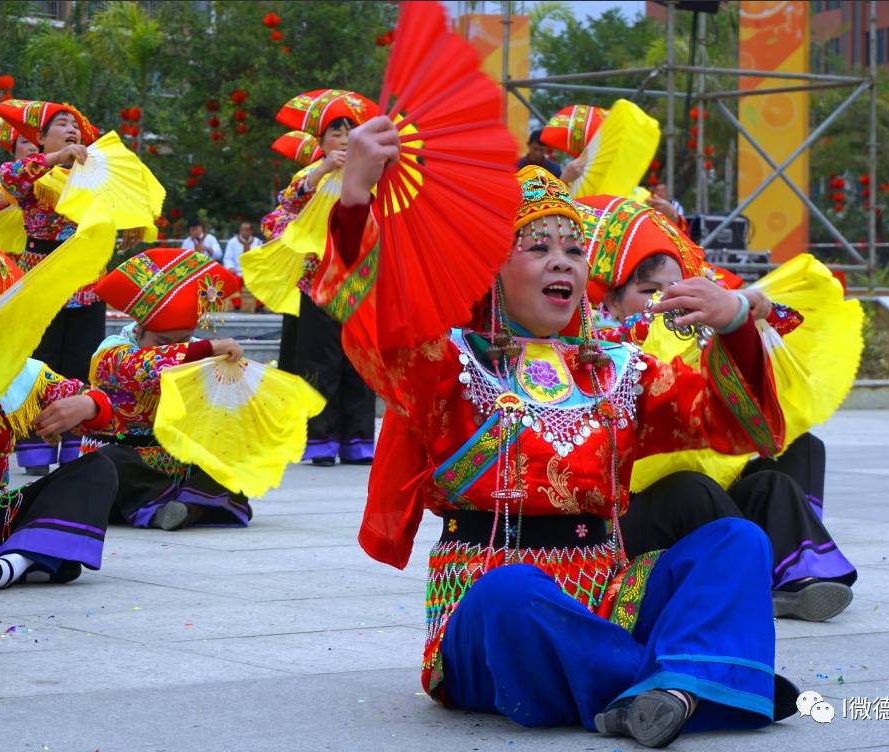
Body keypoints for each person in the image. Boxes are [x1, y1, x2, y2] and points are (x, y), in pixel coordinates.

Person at [312, 119, 799, 747]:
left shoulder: (619, 370)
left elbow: (744, 425)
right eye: (537, 247)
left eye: (572, 250)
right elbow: (370, 312)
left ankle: (654, 688)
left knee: (737, 541)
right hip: (490, 614)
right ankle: (690, 679)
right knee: (512, 593)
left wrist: (735, 325)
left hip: (609, 597)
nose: (561, 261)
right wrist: (355, 200)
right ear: (491, 268)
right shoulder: (449, 364)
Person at [578, 193, 857, 621]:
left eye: (674, 289)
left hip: (705, 485)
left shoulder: (692, 329)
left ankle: (795, 574)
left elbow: (766, 324)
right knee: (692, 487)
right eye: (648, 291)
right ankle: (754, 574)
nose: (664, 299)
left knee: (784, 468)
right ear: (612, 301)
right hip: (633, 511)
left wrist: (747, 310)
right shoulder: (602, 343)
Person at [0, 243, 118, 593]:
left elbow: (115, 417)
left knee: (100, 467)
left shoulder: (23, 373)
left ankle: (10, 564)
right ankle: (34, 560)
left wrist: (89, 405)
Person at [83, 248, 253, 531]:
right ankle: (181, 506)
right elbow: (144, 367)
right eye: (162, 341)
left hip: (178, 468)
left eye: (183, 340)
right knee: (107, 459)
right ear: (138, 332)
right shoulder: (112, 352)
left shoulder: (198, 353)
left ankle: (183, 507)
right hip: (127, 470)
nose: (173, 349)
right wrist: (208, 348)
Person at [263, 93, 377, 467]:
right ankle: (320, 439)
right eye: (335, 131)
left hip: (359, 281)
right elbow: (276, 221)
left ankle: (358, 439)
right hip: (315, 281)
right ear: (320, 140)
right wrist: (322, 170)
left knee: (359, 359)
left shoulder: (374, 177)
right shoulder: (307, 177)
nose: (344, 138)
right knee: (318, 360)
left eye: (351, 130)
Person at [0, 100, 105, 477]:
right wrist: (56, 157)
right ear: (40, 138)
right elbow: (10, 179)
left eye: (75, 125)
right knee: (39, 366)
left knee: (81, 363)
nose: (71, 129)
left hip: (86, 281)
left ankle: (76, 444)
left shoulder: (95, 173)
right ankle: (37, 443)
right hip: (40, 281)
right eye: (61, 124)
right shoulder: (31, 171)